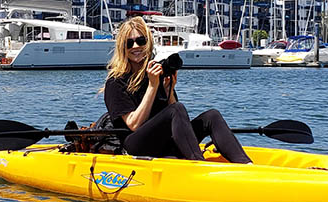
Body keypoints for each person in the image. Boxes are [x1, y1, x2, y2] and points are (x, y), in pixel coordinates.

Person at [102, 17, 252, 163]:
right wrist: (152, 86)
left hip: (163, 140)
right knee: (176, 109)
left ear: (148, 43)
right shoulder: (116, 81)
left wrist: (169, 90)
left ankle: (246, 165)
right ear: (123, 47)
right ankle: (199, 164)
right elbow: (133, 124)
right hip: (134, 146)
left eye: (141, 41)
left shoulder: (156, 73)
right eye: (129, 43)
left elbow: (176, 118)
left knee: (211, 116)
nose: (135, 46)